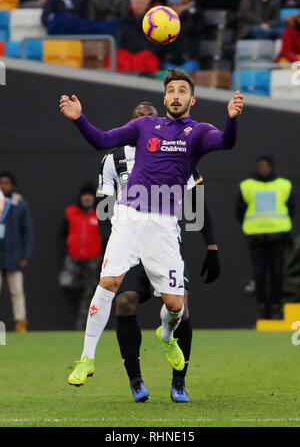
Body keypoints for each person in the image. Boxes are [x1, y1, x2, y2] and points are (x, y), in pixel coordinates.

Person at [60, 68, 243, 398]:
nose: (176, 95)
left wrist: (232, 119)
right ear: (165, 98)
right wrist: (79, 119)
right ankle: (87, 358)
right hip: (129, 215)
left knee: (175, 306)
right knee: (110, 283)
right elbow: (102, 139)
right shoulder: (144, 126)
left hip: (163, 223)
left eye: (182, 91)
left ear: (192, 99)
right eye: (171, 90)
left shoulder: (198, 132)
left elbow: (227, 143)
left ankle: (166, 336)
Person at [236, 155, 295, 319]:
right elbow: (240, 211)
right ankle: (262, 305)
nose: (263, 169)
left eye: (266, 166)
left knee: (276, 272)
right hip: (256, 237)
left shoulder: (284, 185)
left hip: (277, 237)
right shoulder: (247, 186)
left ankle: (275, 305)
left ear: (272, 167)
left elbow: (291, 209)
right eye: (260, 166)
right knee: (260, 273)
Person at [60, 183, 101, 330]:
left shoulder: (99, 214)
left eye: (90, 194)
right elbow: (63, 232)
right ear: (80, 197)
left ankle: (82, 325)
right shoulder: (71, 212)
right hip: (74, 257)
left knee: (90, 293)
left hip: (93, 259)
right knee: (66, 283)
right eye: (84, 194)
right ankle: (79, 286)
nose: (87, 197)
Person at [0, 172, 34, 333]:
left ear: (12, 185)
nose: (3, 186)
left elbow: (27, 232)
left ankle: (21, 323)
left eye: (7, 183)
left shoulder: (19, 204)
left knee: (17, 291)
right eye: (1, 183)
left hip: (14, 254)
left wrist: (25, 255)